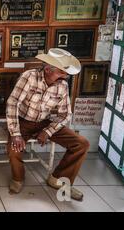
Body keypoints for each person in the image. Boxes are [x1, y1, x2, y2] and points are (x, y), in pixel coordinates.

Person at [6, 48, 89, 201]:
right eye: (62, 72)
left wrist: (48, 131)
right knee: (14, 149)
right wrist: (16, 134)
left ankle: (58, 180)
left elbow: (66, 114)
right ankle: (18, 178)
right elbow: (12, 103)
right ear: (48, 69)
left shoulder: (62, 85)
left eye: (66, 73)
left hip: (45, 122)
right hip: (23, 121)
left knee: (81, 144)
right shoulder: (29, 77)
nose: (66, 76)